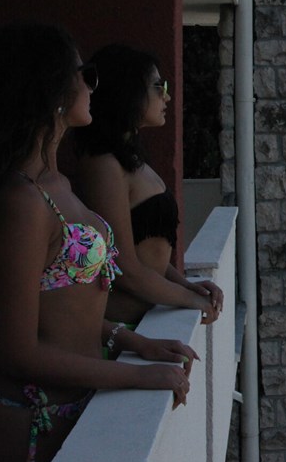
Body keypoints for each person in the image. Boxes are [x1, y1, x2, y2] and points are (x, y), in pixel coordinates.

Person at [0, 23, 196, 462]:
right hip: (22, 423)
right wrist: (134, 376)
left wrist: (131, 341)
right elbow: (15, 349)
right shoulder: (22, 200)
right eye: (84, 74)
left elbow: (59, 308)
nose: (91, 84)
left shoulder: (56, 182)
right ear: (48, 90)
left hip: (67, 411)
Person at [73, 44, 223, 328]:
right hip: (122, 329)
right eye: (158, 86)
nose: (166, 95)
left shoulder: (128, 158)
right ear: (128, 92)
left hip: (147, 318)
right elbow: (124, 268)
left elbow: (146, 255)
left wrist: (187, 286)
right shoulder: (104, 165)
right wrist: (189, 299)